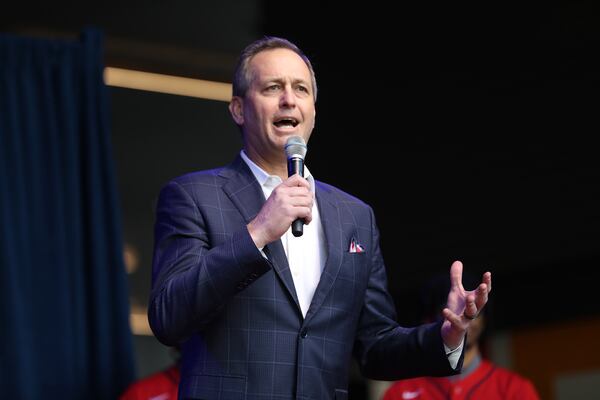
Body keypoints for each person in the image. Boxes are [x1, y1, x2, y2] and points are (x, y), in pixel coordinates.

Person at [148, 36, 492, 399]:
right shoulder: (193, 196)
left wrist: (445, 336)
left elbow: (374, 346)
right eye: (272, 87)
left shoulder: (355, 216)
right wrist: (258, 232)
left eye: (301, 89)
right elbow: (169, 317)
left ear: (313, 111)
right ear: (238, 109)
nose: (289, 99)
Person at [382, 273, 538, 400]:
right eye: (451, 310)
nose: (463, 318)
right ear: (428, 321)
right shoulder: (399, 393)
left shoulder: (514, 389)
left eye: (473, 309)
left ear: (484, 320)